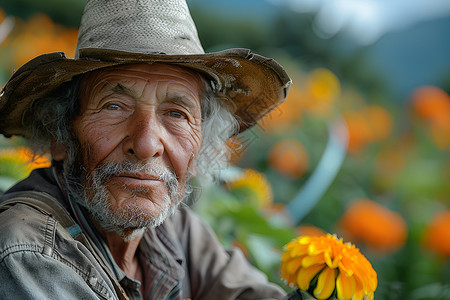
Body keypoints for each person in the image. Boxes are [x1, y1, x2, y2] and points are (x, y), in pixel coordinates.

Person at [0, 0, 294, 299]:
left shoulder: (175, 229)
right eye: (114, 107)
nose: (145, 145)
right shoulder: (28, 253)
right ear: (60, 136)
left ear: (198, 148)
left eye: (177, 113)